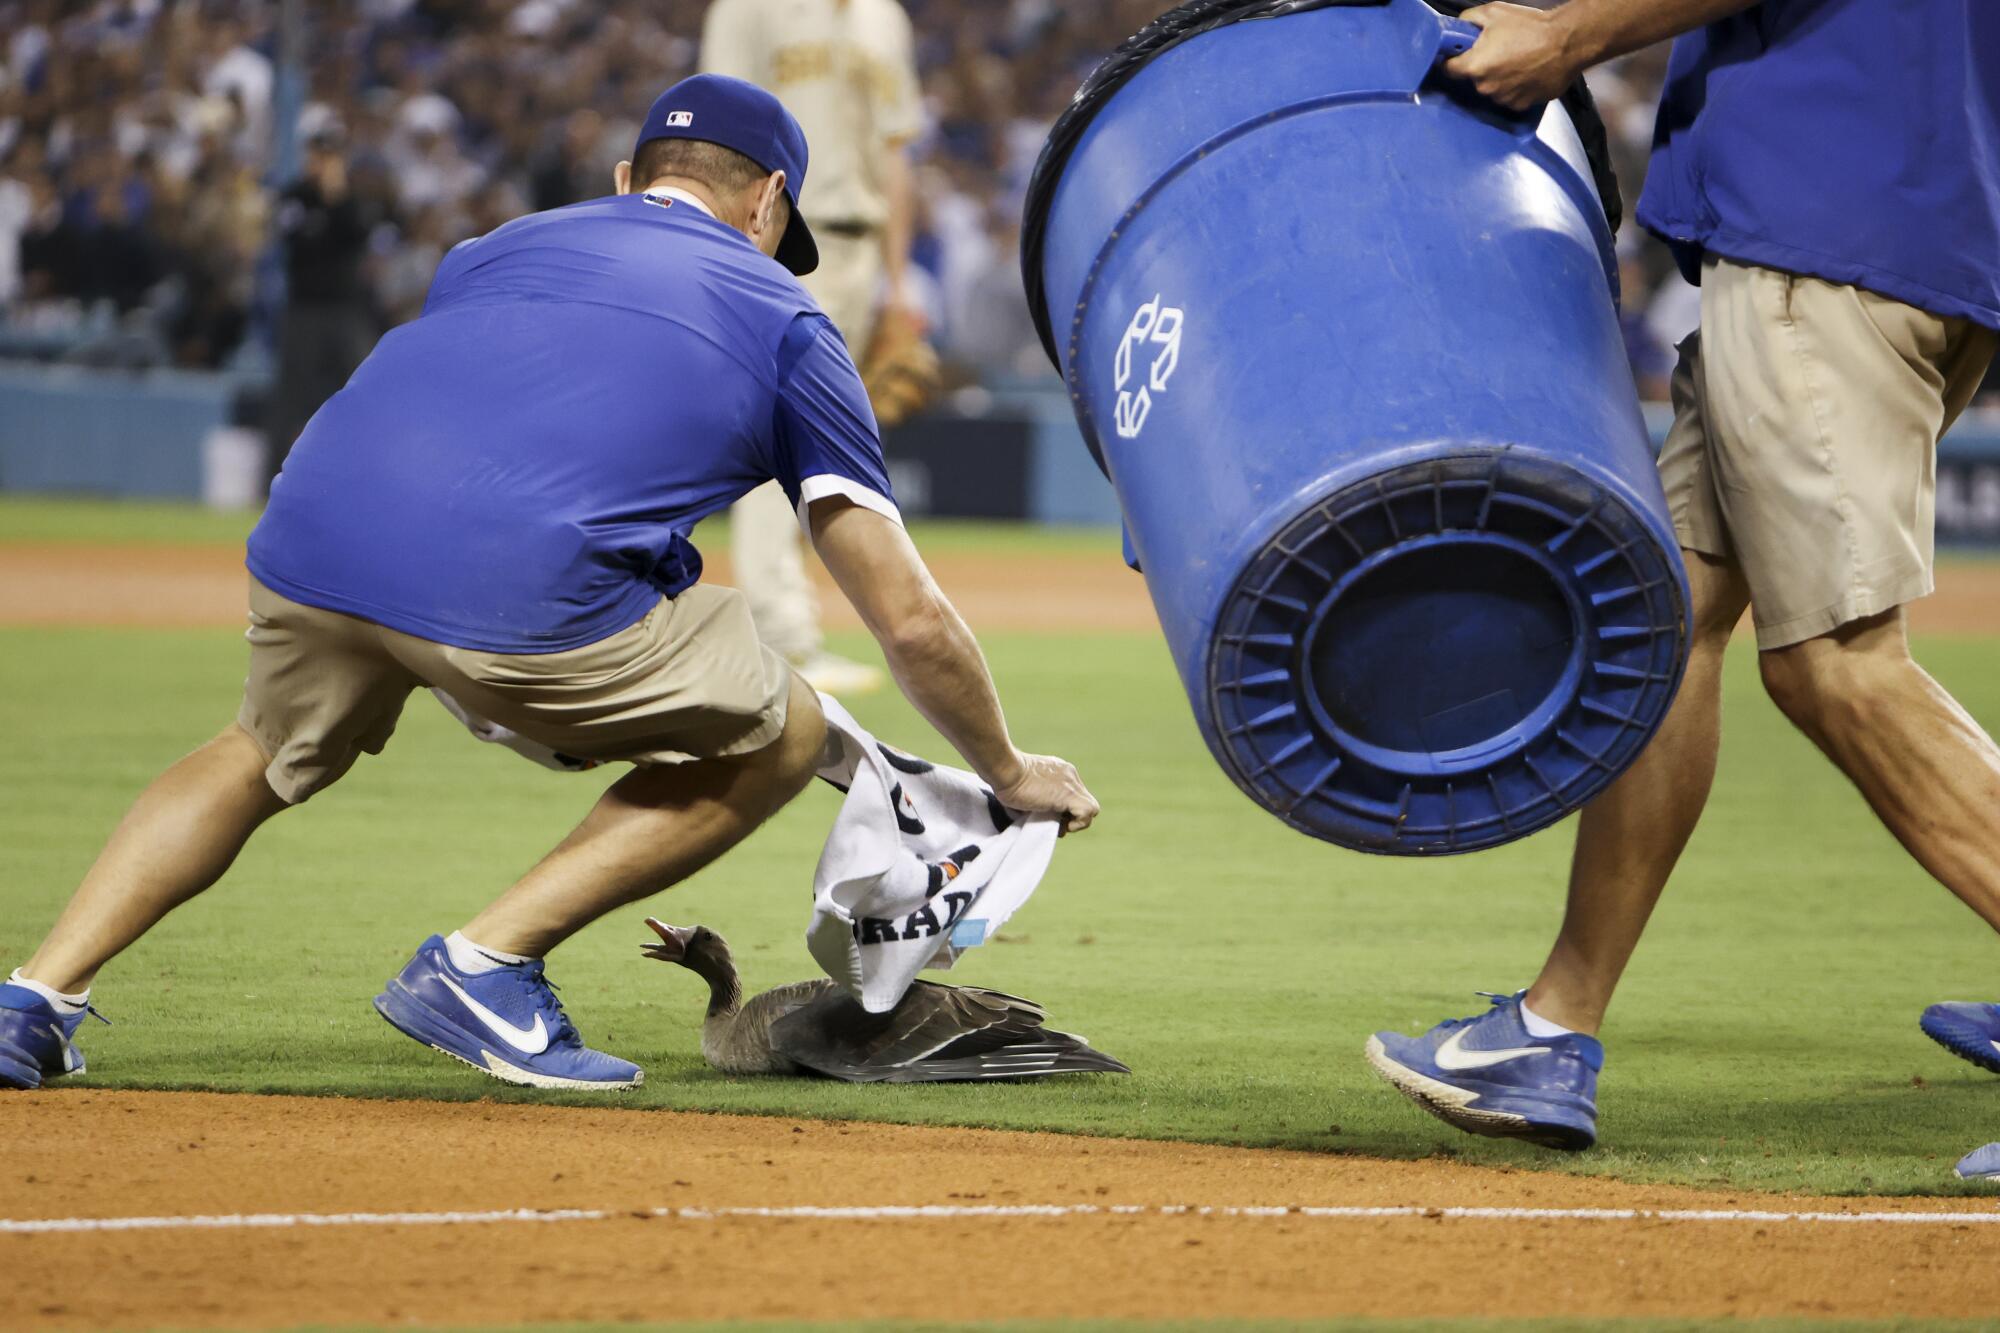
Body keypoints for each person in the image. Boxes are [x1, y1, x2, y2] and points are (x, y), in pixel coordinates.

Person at [0, 75, 1097, 1095]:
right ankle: (486, 962)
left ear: (625, 182)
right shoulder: (785, 317)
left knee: (258, 747)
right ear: (767, 202)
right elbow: (903, 614)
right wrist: (1003, 765)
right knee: (787, 732)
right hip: (510, 596)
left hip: (309, 539)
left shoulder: (490, 249)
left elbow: (513, 432)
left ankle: (33, 995)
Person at [1368, 0, 2000, 1150]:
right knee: (1662, 619)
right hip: (1908, 222)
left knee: (1835, 668)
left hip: (1824, 236)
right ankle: (1551, 1030)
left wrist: (1565, 34)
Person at [700, 0, 925, 697]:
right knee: (777, 437)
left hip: (862, 245)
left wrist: (897, 285)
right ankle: (781, 636)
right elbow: (716, 139)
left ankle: (789, 627)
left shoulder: (883, 16)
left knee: (820, 449)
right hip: (784, 241)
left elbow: (895, 152)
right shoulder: (746, 8)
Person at [266, 128, 380, 489]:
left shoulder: (353, 200)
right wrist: (324, 212)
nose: (319, 165)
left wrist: (335, 199)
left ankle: (369, 478)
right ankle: (272, 482)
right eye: (316, 157)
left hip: (345, 311)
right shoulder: (296, 196)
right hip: (304, 310)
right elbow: (296, 242)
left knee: (363, 390)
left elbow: (358, 232)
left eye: (327, 158)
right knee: (289, 398)